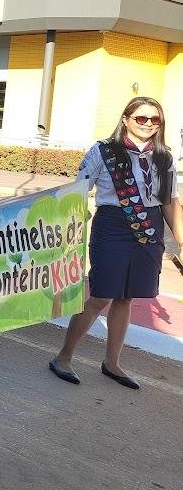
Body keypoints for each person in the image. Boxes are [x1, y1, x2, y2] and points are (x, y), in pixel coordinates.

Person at [50, 97, 183, 389]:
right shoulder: (102, 151)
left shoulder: (164, 157)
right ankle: (63, 357)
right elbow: (77, 191)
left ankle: (112, 363)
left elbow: (171, 202)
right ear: (126, 119)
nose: (148, 124)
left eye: (154, 119)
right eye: (141, 118)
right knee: (101, 296)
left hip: (149, 231)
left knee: (127, 297)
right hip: (112, 226)